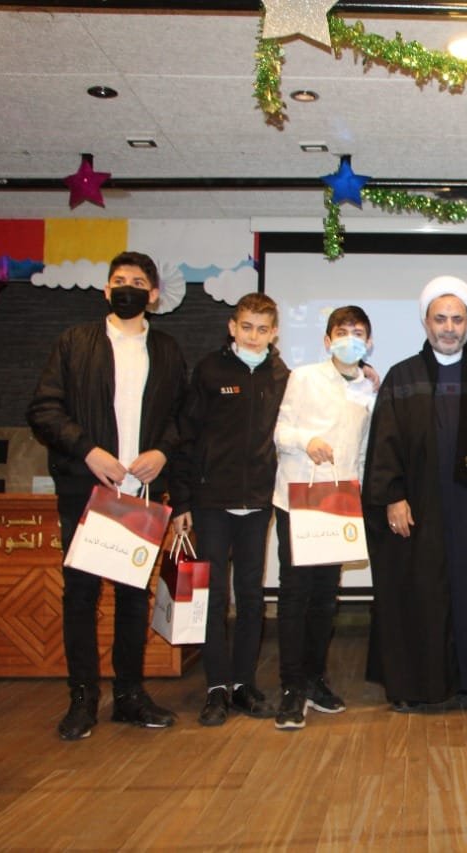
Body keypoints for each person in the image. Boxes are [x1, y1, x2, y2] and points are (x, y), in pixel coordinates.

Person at [27, 251, 187, 740]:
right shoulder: (74, 343)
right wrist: (88, 450)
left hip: (141, 493)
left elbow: (184, 418)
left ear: (153, 294)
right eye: (119, 280)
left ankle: (129, 696)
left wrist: (162, 451)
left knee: (133, 596)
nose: (126, 289)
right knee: (80, 594)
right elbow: (44, 409)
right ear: (105, 289)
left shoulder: (167, 350)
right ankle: (81, 699)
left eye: (137, 282)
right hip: (86, 488)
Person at [363, 277, 467, 713]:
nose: (449, 328)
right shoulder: (402, 377)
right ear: (426, 321)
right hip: (420, 510)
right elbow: (385, 443)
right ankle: (418, 686)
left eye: (458, 319)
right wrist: (393, 496)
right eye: (440, 318)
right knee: (421, 593)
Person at [169, 293, 289, 726]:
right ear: (232, 327)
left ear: (274, 332)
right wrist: (182, 500)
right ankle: (216, 687)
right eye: (247, 327)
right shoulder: (209, 371)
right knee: (214, 596)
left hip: (257, 502)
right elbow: (185, 436)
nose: (254, 336)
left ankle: (243, 684)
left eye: (263, 329)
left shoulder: (282, 376)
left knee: (252, 596)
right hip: (211, 502)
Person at [270, 305, 376, 730]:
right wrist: (306, 440)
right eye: (342, 331)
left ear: (368, 342)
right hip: (298, 500)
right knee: (295, 595)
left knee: (326, 597)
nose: (350, 338)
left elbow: (362, 447)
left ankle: (314, 679)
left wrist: (359, 495)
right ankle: (291, 688)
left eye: (359, 332)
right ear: (327, 339)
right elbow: (280, 432)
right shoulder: (304, 377)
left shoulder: (366, 388)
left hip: (339, 504)